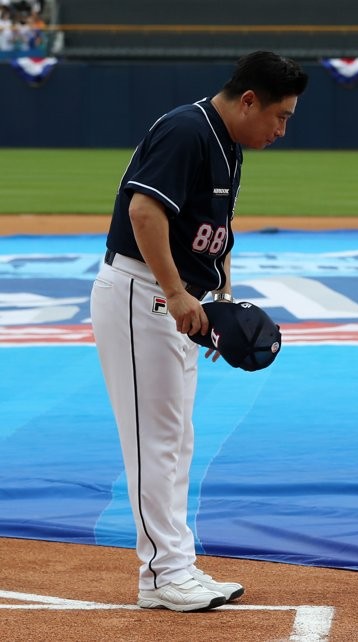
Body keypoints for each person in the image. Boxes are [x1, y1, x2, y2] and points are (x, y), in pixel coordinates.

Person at [90, 51, 308, 612]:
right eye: (280, 116)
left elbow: (217, 230)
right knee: (154, 444)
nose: (282, 129)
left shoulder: (228, 143)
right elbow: (144, 213)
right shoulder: (186, 130)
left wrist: (220, 298)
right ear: (249, 100)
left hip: (173, 301)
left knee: (176, 441)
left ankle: (173, 567)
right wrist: (180, 291)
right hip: (143, 295)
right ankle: (163, 573)